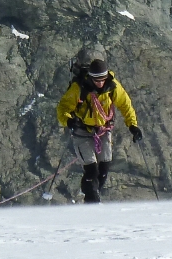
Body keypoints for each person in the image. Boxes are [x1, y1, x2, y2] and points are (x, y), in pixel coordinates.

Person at [56, 47, 143, 203]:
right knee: (91, 170)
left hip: (103, 130)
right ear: (90, 78)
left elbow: (125, 105)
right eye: (97, 80)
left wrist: (133, 126)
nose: (100, 83)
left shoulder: (113, 87)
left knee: (103, 170)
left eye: (102, 79)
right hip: (82, 132)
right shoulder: (79, 88)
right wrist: (69, 121)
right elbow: (63, 108)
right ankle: (92, 200)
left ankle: (92, 195)